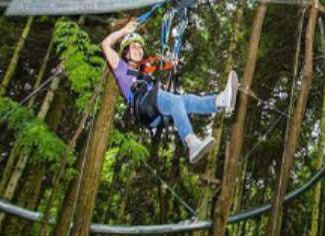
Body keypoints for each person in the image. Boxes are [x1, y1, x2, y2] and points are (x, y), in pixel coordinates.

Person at [101, 17, 238, 165]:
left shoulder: (144, 73)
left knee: (187, 100)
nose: (138, 50)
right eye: (134, 47)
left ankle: (220, 100)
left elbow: (158, 78)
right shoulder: (120, 68)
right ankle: (192, 143)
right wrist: (125, 31)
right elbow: (105, 44)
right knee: (177, 101)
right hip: (144, 107)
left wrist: (170, 65)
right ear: (126, 53)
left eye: (140, 47)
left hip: (154, 112)